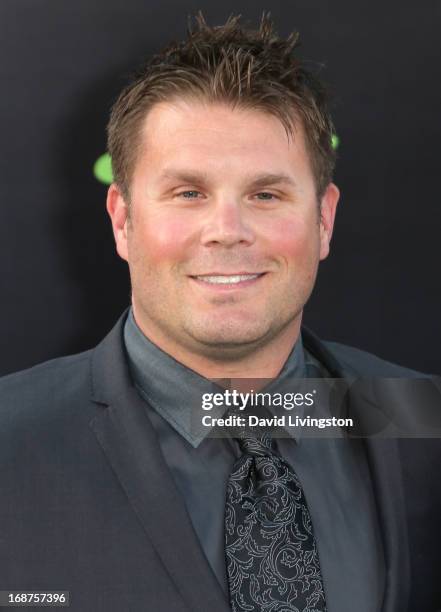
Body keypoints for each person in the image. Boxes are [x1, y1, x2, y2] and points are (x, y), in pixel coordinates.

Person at [0, 12, 440, 612]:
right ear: (123, 219)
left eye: (266, 194)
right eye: (188, 193)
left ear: (325, 218)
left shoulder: (421, 424)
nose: (227, 232)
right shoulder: (10, 438)